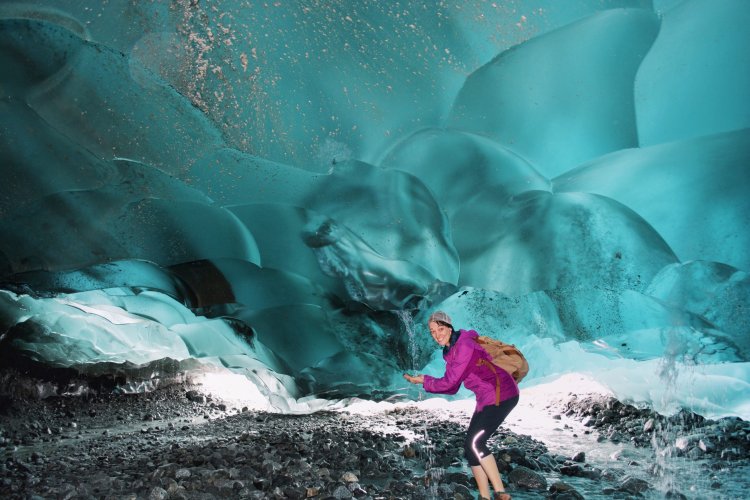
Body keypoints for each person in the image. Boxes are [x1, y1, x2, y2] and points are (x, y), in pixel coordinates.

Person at [403, 311, 519, 500]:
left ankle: (501, 494)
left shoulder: (464, 345)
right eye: (433, 332)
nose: (437, 334)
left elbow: (449, 383)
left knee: (476, 443)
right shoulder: (449, 351)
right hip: (486, 398)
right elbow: (452, 388)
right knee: (469, 447)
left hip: (502, 393)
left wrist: (424, 380)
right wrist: (424, 380)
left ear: (449, 327)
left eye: (440, 329)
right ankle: (484, 496)